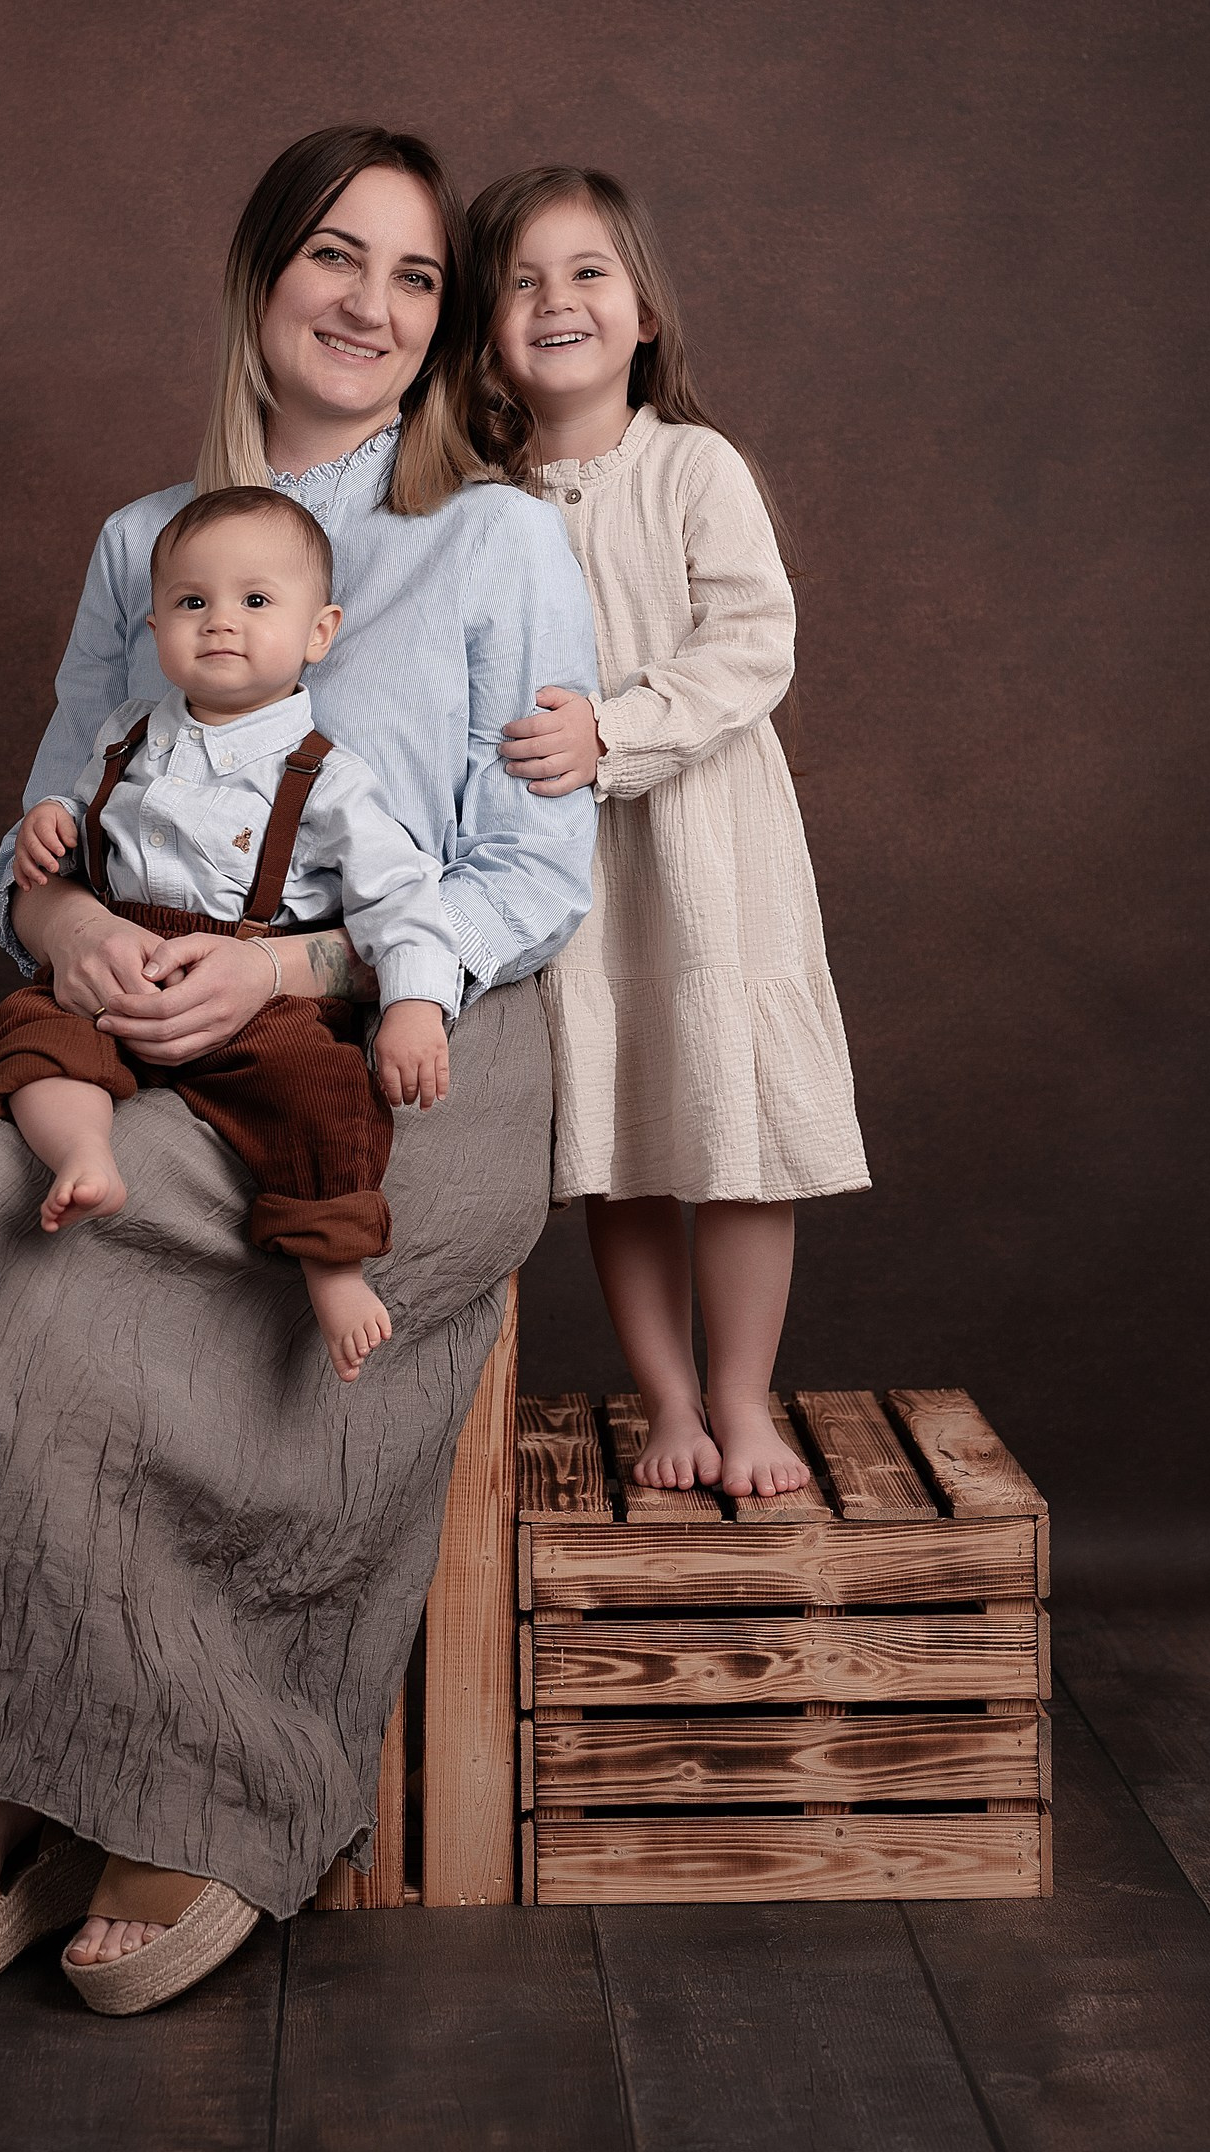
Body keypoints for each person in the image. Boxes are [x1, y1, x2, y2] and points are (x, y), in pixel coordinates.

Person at [0, 124, 598, 2018]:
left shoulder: (496, 535)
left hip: (405, 1061)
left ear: (442, 329)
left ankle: (178, 1775)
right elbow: (41, 832)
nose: (370, 303)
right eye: (334, 257)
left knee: (25, 1245)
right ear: (261, 279)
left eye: (417, 277)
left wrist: (299, 957)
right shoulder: (142, 543)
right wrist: (67, 935)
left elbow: (535, 875)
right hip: (145, 1050)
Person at [472, 165, 869, 1501]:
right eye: (520, 281)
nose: (554, 300)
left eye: (585, 272)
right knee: (622, 1124)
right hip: (573, 865)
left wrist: (615, 730)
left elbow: (753, 642)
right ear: (486, 332)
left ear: (641, 312)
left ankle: (745, 1399)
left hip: (710, 849)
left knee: (734, 1127)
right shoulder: (486, 509)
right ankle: (668, 1401)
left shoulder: (692, 467)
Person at [0, 483, 459, 1383]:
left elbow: (403, 899)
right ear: (156, 626)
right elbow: (86, 815)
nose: (219, 623)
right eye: (191, 603)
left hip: (252, 987)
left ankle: (332, 1265)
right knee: (29, 1023)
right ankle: (85, 1155)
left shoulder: (326, 776)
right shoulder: (124, 733)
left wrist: (415, 1008)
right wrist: (51, 817)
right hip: (123, 967)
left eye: (255, 601)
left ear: (318, 634)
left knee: (322, 1086)